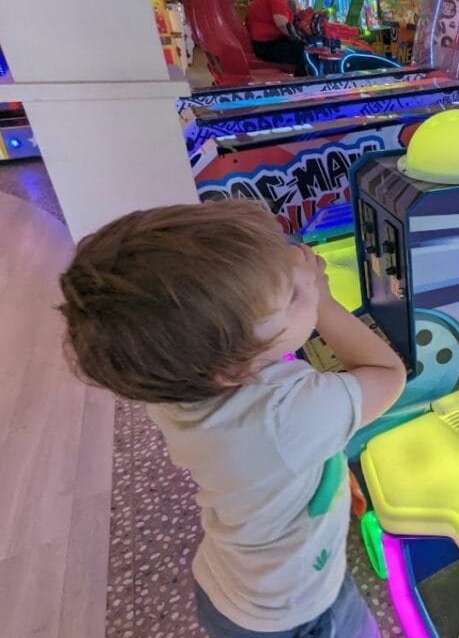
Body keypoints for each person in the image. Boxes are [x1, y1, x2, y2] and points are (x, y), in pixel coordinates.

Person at [58, 200, 406, 638]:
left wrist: (292, 296)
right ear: (232, 369)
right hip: (295, 613)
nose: (304, 267)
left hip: (233, 590)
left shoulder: (174, 382)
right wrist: (327, 303)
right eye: (293, 295)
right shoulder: (283, 418)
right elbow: (386, 376)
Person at [246, 0, 308, 76]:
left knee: (298, 47)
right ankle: (304, 83)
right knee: (303, 50)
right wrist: (298, 38)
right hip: (265, 46)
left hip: (260, 44)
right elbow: (282, 24)